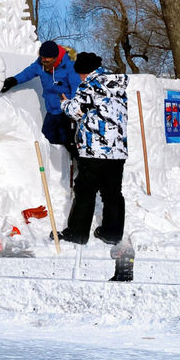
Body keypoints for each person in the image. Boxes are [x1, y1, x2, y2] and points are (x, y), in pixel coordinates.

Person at [57, 52, 129, 245]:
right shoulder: (118, 86)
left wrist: (65, 103)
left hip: (94, 150)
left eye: (80, 73)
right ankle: (111, 233)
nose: (79, 77)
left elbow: (75, 111)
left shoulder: (90, 84)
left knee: (85, 191)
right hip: (117, 150)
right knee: (112, 192)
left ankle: (77, 233)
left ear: (84, 71)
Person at [1, 40, 81, 155]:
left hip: (66, 112)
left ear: (55, 58)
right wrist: (13, 81)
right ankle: (54, 171)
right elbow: (28, 73)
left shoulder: (70, 66)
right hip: (52, 111)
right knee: (47, 141)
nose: (44, 61)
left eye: (47, 60)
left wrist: (73, 110)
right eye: (42, 58)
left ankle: (79, 167)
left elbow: (76, 89)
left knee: (69, 143)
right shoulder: (41, 63)